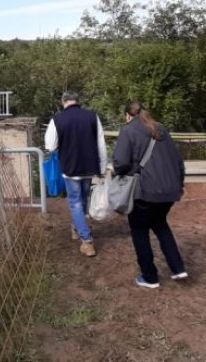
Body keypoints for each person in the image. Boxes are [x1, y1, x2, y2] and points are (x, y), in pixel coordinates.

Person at [113, 101, 187, 289]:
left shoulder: (128, 130)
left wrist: (123, 171)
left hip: (145, 191)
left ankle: (150, 277)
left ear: (128, 115)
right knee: (160, 224)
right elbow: (178, 160)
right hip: (170, 190)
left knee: (139, 230)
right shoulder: (161, 129)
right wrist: (179, 184)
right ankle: (178, 268)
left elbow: (120, 163)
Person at [45, 91, 107, 257]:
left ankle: (87, 241)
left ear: (63, 102)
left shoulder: (57, 119)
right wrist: (102, 169)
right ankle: (76, 226)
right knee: (83, 199)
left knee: (76, 203)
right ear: (78, 101)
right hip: (89, 167)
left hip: (70, 168)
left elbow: (50, 146)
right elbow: (101, 144)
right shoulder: (92, 116)